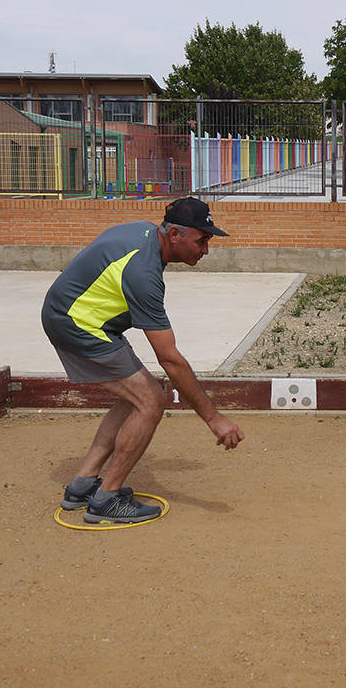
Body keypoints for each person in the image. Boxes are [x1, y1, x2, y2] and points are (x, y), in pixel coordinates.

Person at [42, 196, 244, 523]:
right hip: (76, 323)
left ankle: (81, 487)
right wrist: (214, 419)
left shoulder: (144, 234)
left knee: (138, 395)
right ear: (175, 234)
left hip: (76, 316)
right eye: (202, 240)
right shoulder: (144, 273)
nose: (205, 249)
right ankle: (105, 500)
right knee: (151, 400)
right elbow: (170, 359)